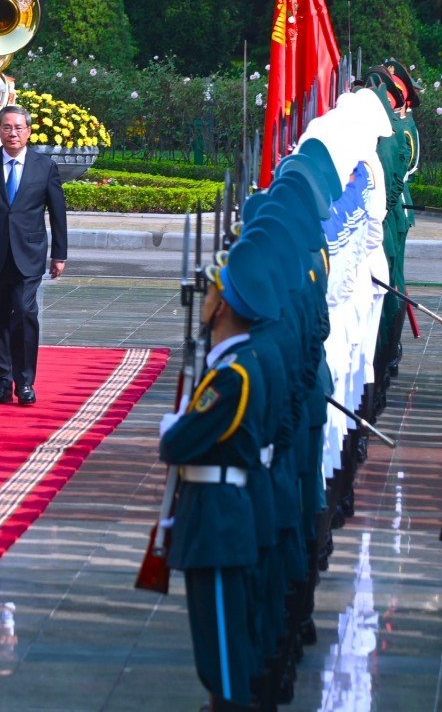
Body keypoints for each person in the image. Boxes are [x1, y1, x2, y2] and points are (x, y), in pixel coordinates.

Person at [159, 237, 276, 712]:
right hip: (214, 517)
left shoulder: (234, 376)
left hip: (220, 522)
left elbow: (178, 444)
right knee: (216, 645)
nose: (203, 300)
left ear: (223, 305)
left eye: (210, 293)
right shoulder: (231, 366)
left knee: (224, 654)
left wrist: (177, 427)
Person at [0, 104, 68, 405]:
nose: (13, 133)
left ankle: (25, 383)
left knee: (24, 312)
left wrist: (59, 254)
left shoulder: (43, 166)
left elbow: (57, 213)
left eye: (19, 127)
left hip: (29, 253)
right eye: (7, 127)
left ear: (29, 131)